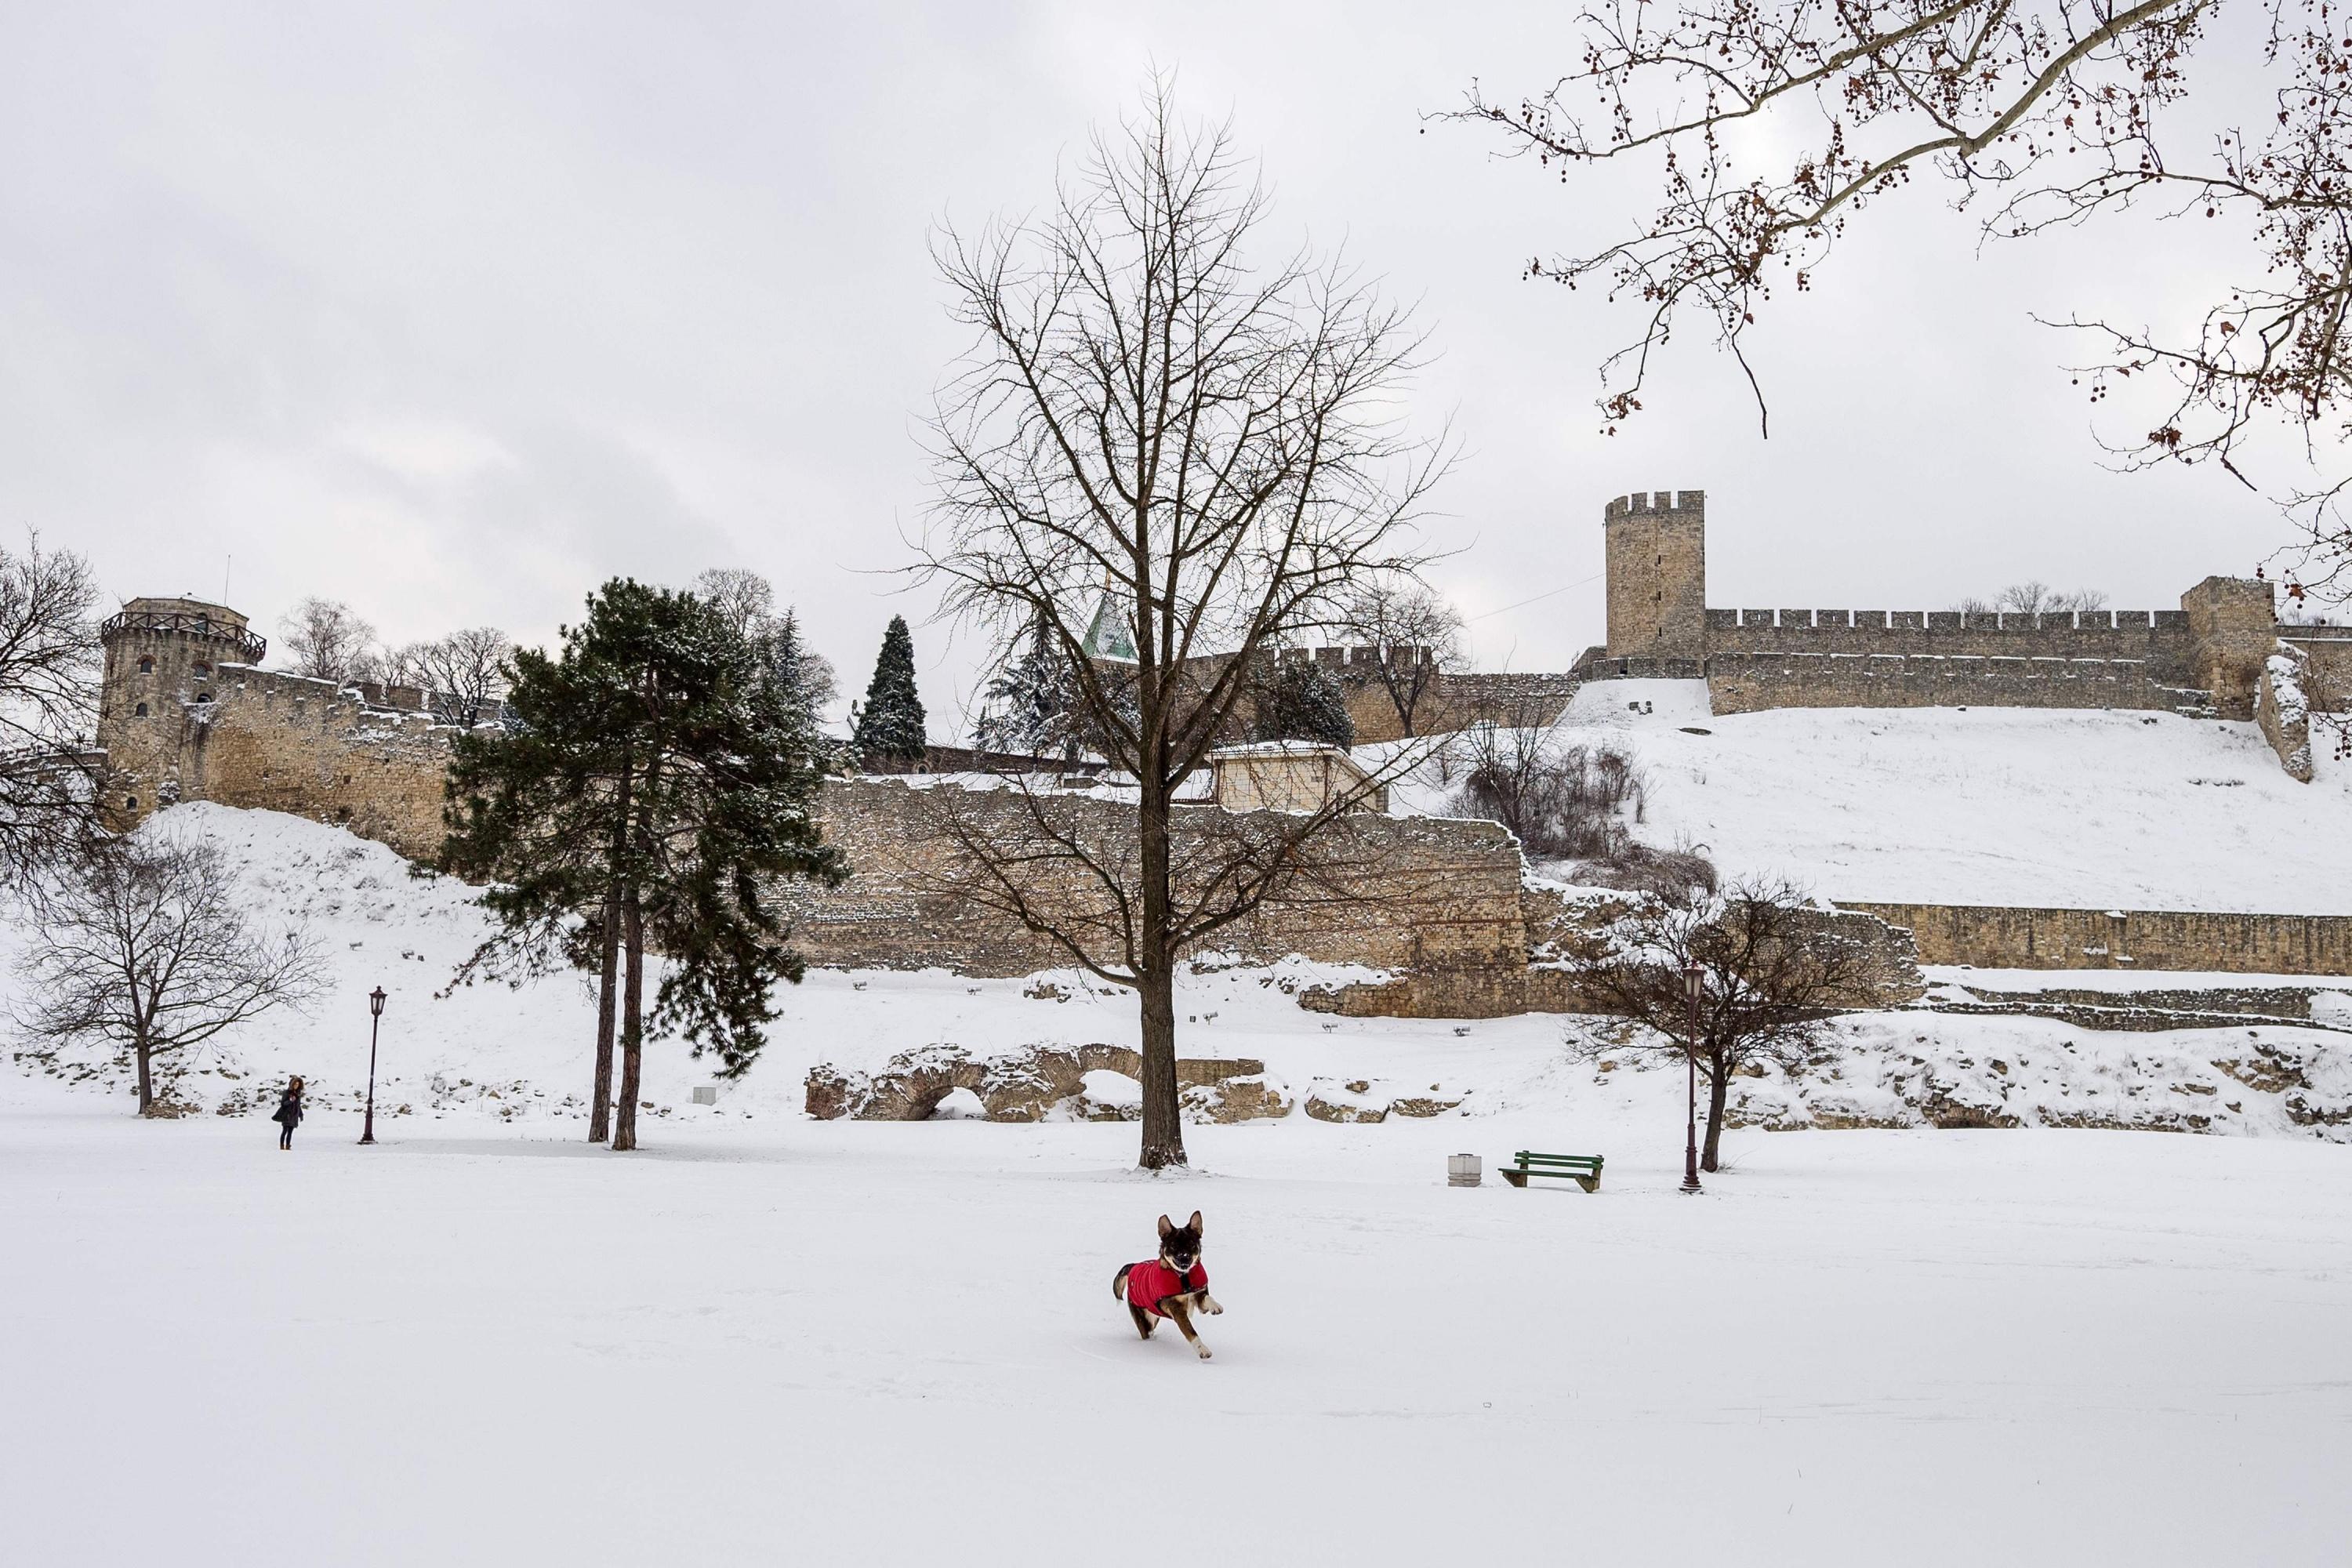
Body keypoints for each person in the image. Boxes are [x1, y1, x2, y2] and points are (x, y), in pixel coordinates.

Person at [271, 1076, 304, 1150]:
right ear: (292, 1084)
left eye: (298, 1085)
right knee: (285, 1131)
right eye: (295, 1084)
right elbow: (283, 1104)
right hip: (287, 1115)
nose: (296, 1086)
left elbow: (298, 1106)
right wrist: (290, 1101)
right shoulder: (286, 1092)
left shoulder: (298, 1094)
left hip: (294, 1116)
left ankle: (288, 1145)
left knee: (290, 1132)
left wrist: (301, 1115)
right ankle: (282, 1145)